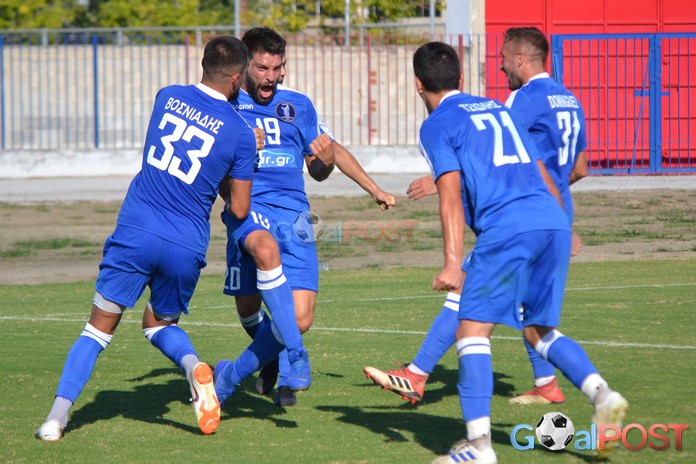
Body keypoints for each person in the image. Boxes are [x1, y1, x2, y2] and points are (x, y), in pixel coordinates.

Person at [408, 41, 627, 464]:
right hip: (550, 219)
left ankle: (479, 448)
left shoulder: (436, 124)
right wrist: (561, 223)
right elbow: (541, 167)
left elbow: (449, 194)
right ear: (461, 78)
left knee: (472, 333)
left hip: (509, 228)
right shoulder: (497, 107)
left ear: (418, 84)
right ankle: (602, 395)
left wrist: (452, 263)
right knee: (537, 330)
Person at [35, 36, 257, 441]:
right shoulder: (241, 133)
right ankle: (193, 367)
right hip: (185, 242)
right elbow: (239, 208)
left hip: (136, 230)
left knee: (97, 331)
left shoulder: (166, 96)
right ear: (237, 78)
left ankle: (55, 420)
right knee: (158, 324)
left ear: (203, 63)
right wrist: (241, 160)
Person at [363, 26, 589, 406]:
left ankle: (424, 382)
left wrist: (446, 182)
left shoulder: (523, 100)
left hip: (513, 218)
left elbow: (490, 159)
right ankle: (550, 383)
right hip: (548, 216)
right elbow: (579, 168)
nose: (500, 66)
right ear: (462, 78)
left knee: (466, 295)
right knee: (527, 309)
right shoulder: (565, 98)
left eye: (503, 58)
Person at [213, 27, 396, 408]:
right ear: (244, 66)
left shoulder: (299, 106)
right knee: (248, 309)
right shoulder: (225, 105)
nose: (272, 77)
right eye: (262, 68)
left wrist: (369, 186)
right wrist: (240, 147)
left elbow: (324, 161)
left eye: (278, 68)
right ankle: (278, 357)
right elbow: (209, 165)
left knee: (300, 319)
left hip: (294, 217)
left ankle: (241, 371)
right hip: (247, 210)